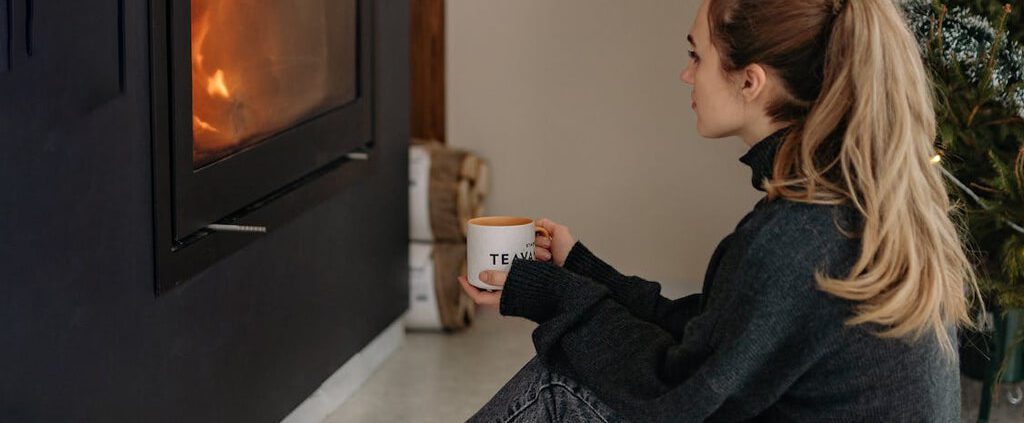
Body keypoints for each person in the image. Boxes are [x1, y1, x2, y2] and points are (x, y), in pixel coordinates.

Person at [456, 0, 983, 421]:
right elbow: (710, 336)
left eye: (696, 56)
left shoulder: (799, 232)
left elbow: (675, 391)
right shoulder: (841, 200)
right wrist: (579, 269)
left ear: (750, 81)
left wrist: (551, 294)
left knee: (559, 388)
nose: (687, 76)